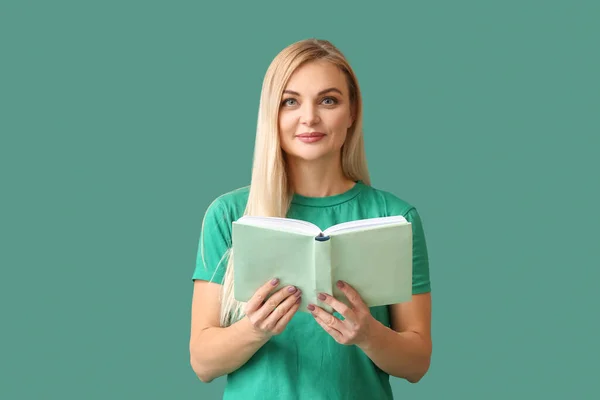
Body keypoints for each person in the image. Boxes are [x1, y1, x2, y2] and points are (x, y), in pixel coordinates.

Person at [189, 38, 432, 399]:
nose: (309, 118)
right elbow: (202, 363)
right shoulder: (228, 214)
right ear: (272, 113)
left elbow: (416, 364)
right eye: (291, 102)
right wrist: (255, 328)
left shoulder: (396, 216)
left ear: (352, 113)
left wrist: (368, 335)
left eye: (328, 100)